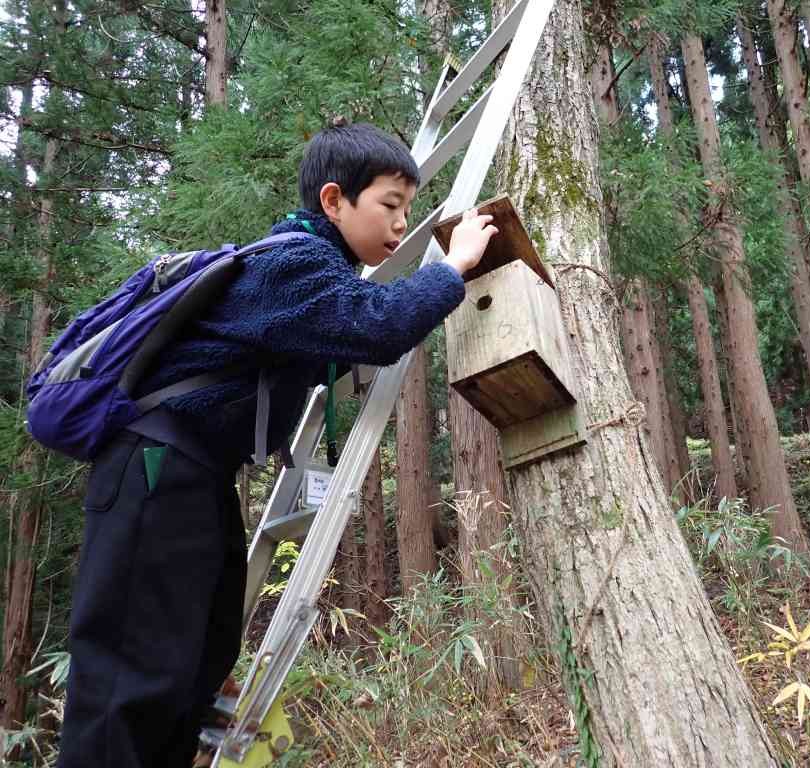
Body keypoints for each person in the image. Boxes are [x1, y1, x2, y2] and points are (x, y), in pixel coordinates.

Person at [56, 122, 498, 768]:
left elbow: (346, 334)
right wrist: (453, 267)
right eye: (390, 206)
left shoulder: (315, 275)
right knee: (131, 683)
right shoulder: (293, 262)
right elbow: (374, 327)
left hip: (194, 477)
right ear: (332, 201)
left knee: (189, 673)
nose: (402, 224)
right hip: (155, 469)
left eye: (407, 208)